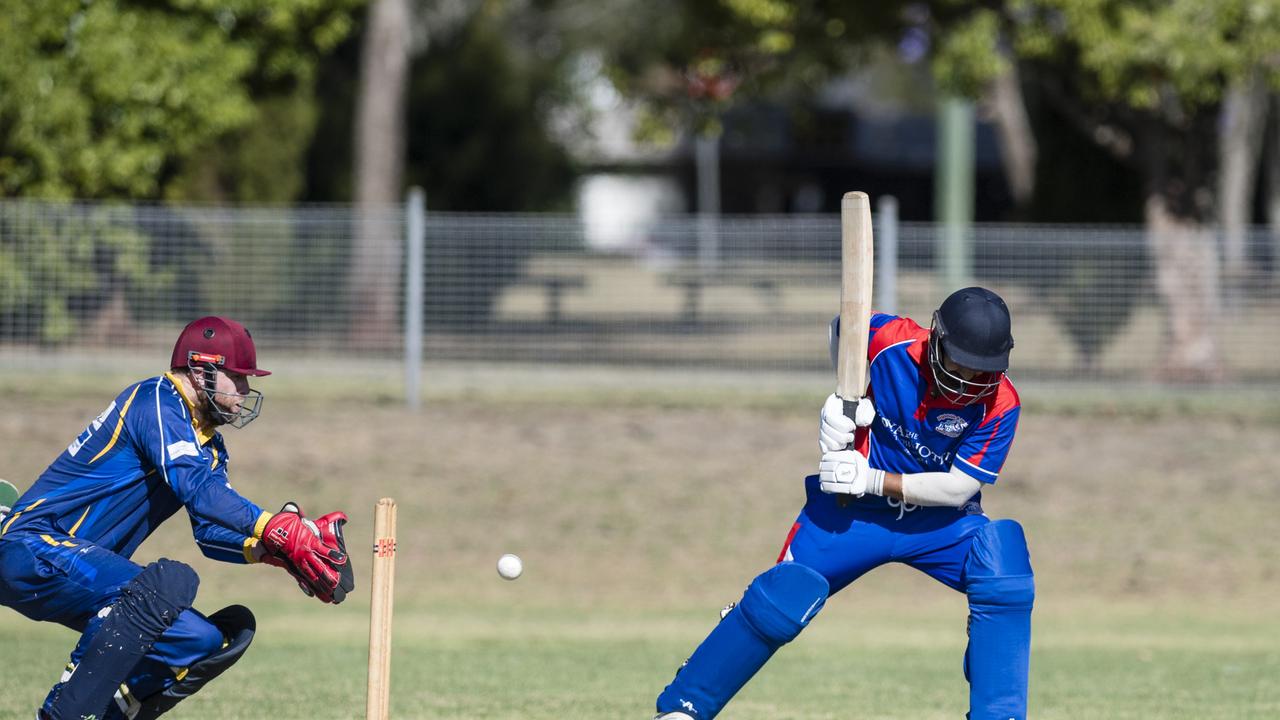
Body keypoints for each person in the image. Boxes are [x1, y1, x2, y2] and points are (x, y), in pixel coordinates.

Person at [653, 287, 1034, 720]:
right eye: (959, 364)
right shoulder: (892, 340)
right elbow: (843, 328)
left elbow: (958, 489)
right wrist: (841, 402)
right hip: (851, 514)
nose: (968, 382)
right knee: (782, 595)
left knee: (1003, 561)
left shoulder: (1002, 402)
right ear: (937, 339)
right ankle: (684, 707)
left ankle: (997, 715)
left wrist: (871, 478)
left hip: (938, 522)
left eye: (982, 371)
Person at [0, 316, 355, 720]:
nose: (244, 390)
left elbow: (208, 533)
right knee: (171, 582)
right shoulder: (155, 399)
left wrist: (266, 550)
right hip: (30, 545)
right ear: (202, 367)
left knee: (201, 640)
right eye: (237, 377)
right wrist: (275, 525)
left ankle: (106, 710)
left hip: (83, 578)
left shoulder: (211, 446)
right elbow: (198, 489)